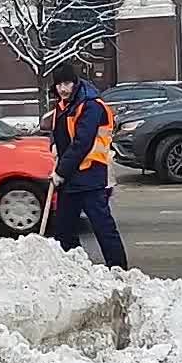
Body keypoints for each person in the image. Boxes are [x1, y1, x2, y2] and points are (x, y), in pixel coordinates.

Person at [49, 63, 128, 269]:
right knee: (64, 230)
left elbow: (82, 143)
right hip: (71, 178)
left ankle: (118, 269)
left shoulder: (90, 105)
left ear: (75, 82)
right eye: (58, 84)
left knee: (103, 227)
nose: (62, 89)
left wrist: (60, 171)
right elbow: (59, 133)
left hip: (91, 175)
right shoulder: (63, 105)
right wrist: (54, 145)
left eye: (66, 83)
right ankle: (75, 269)